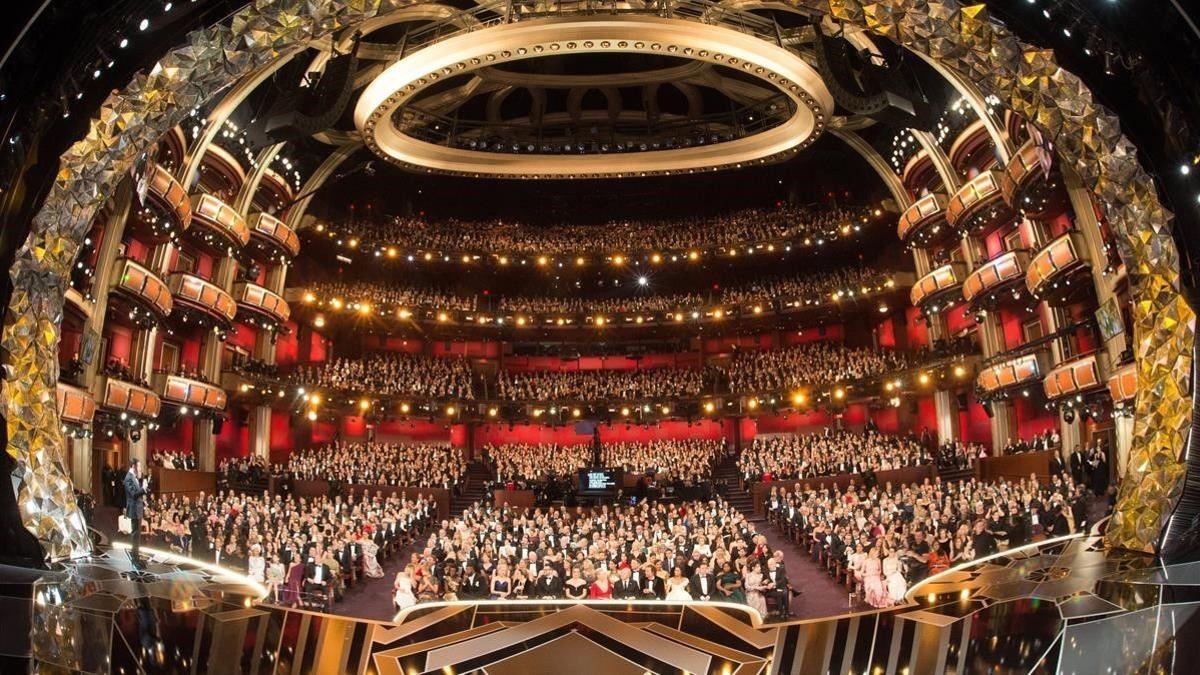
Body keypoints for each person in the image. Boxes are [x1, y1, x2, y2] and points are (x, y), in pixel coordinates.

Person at [124, 458, 148, 557]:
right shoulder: (128, 478)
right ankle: (134, 556)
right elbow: (134, 494)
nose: (140, 468)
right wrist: (143, 488)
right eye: (138, 466)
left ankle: (136, 554)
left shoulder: (134, 477)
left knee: (137, 534)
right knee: (135, 534)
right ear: (133, 466)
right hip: (134, 509)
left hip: (138, 509)